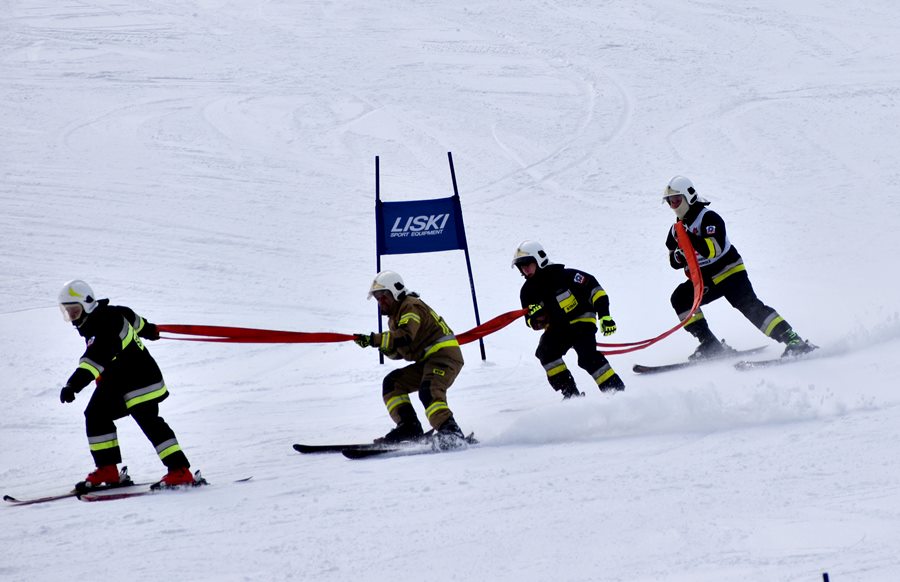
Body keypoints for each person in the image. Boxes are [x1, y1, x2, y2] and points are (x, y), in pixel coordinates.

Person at [57, 280, 195, 492]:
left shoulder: (104, 324)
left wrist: (73, 385)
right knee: (95, 414)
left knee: (148, 421)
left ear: (87, 305)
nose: (73, 319)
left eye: (75, 312)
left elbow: (95, 359)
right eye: (68, 313)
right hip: (119, 381)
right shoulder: (110, 314)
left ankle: (179, 471)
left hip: (140, 379)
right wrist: (149, 329)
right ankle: (107, 469)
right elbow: (133, 319)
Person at [662, 176, 816, 359]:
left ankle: (794, 340)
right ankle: (710, 344)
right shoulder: (676, 230)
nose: (674, 205)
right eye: (670, 202)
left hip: (730, 274)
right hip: (707, 279)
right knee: (680, 298)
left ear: (689, 196)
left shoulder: (708, 218)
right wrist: (679, 255)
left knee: (750, 307)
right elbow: (673, 259)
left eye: (677, 200)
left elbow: (714, 249)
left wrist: (689, 239)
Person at [353, 270, 467, 450]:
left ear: (396, 292)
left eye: (384, 297)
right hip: (427, 361)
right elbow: (402, 352)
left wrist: (375, 339)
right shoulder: (395, 317)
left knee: (429, 390)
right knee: (393, 383)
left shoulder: (410, 306)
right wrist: (385, 347)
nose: (381, 303)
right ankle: (408, 427)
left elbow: (405, 336)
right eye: (377, 299)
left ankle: (451, 432)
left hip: (444, 357)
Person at [513, 241, 624, 398]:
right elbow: (530, 322)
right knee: (546, 352)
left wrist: (605, 316)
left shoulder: (566, 276)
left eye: (527, 264)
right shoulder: (527, 292)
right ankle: (571, 395)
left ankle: (616, 392)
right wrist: (537, 318)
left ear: (539, 259)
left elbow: (597, 292)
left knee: (587, 356)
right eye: (521, 267)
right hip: (558, 328)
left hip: (582, 321)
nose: (524, 270)